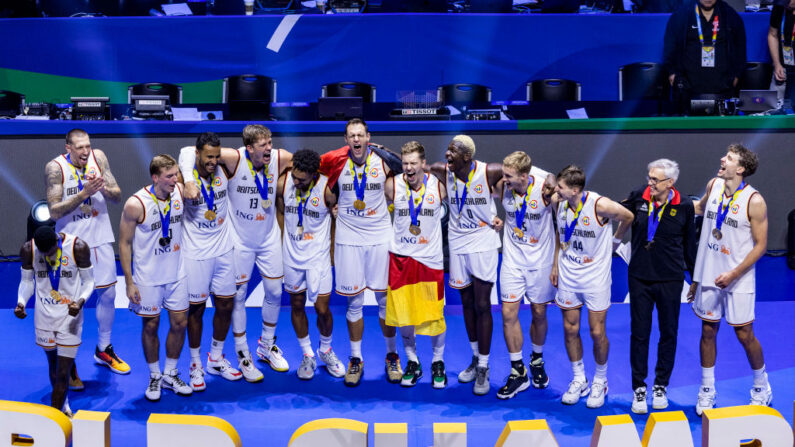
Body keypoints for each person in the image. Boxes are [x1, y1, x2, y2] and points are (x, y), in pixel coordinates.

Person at [180, 125, 292, 382]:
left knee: (275, 292)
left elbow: (307, 166)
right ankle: (242, 353)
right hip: (239, 241)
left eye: (270, 142)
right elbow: (188, 150)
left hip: (269, 238)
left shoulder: (279, 158)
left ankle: (266, 345)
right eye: (263, 144)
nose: (269, 148)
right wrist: (187, 179)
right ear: (249, 148)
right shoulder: (235, 158)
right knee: (237, 296)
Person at [689, 143, 771, 415]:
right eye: (725, 155)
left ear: (741, 168)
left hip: (739, 278)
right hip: (710, 274)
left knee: (744, 334)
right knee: (707, 330)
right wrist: (666, 204)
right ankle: (707, 390)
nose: (722, 159)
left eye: (730, 157)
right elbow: (699, 209)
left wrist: (734, 273)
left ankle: (762, 385)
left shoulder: (754, 201)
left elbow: (761, 246)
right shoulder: (713, 185)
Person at [45, 128, 129, 380]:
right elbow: (54, 212)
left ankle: (103, 349)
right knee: (71, 304)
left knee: (109, 294)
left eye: (87, 146)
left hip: (100, 239)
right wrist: (83, 194)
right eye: (79, 147)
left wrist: (101, 188)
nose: (85, 152)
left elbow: (117, 196)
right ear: (68, 147)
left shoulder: (99, 158)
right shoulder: (55, 168)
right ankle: (68, 361)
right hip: (70, 244)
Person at [321, 118, 400, 387]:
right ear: (346, 140)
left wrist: (383, 150)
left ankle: (392, 355)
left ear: (369, 137)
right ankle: (355, 358)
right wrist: (331, 207)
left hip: (379, 237)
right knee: (353, 302)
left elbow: (404, 170)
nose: (356, 140)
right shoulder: (337, 164)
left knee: (384, 302)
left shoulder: (383, 162)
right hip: (348, 239)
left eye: (360, 135)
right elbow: (328, 196)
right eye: (351, 136)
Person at [551, 165, 634, 408]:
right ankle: (579, 379)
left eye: (561, 187)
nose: (556, 191)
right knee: (570, 329)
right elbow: (560, 232)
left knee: (597, 332)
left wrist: (615, 242)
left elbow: (628, 217)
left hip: (595, 277)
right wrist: (555, 264)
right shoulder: (559, 202)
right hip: (568, 274)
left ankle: (600, 380)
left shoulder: (600, 205)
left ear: (575, 190)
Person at [621, 159, 697, 414]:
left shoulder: (684, 205)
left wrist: (695, 278)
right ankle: (639, 389)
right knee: (639, 333)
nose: (650, 183)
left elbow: (690, 246)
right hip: (640, 277)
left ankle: (660, 385)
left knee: (669, 333)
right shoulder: (637, 197)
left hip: (671, 278)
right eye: (649, 177)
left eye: (655, 180)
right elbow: (617, 212)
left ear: (670, 183)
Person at [430, 135, 504, 396]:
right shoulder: (443, 171)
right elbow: (414, 166)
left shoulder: (489, 171)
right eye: (448, 149)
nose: (448, 154)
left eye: (453, 150)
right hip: (458, 244)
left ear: (467, 157)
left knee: (483, 304)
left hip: (483, 242)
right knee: (467, 303)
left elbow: (522, 170)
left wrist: (549, 180)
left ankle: (484, 366)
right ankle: (475, 358)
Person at [119, 154, 193, 401]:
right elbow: (125, 243)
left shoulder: (180, 192)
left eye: (176, 175)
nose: (175, 180)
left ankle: (171, 373)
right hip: (148, 278)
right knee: (150, 326)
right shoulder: (136, 204)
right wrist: (129, 281)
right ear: (155, 177)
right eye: (169, 176)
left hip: (177, 274)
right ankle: (154, 375)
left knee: (180, 323)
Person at [178, 132, 242, 391]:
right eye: (208, 156)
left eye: (217, 156)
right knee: (197, 310)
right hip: (195, 253)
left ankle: (216, 357)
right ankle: (195, 364)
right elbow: (183, 149)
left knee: (226, 304)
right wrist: (190, 180)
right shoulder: (185, 177)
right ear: (197, 155)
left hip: (224, 250)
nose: (213, 161)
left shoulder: (224, 170)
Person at [384, 141, 448, 389]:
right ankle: (412, 361)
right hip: (400, 259)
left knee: (435, 316)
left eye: (413, 163)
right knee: (404, 315)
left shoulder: (439, 185)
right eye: (405, 163)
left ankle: (437, 362)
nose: (408, 168)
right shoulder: (393, 185)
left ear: (423, 164)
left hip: (430, 260)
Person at [278, 149, 346, 380]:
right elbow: (279, 207)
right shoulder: (284, 183)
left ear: (314, 174)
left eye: (302, 180)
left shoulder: (327, 189)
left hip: (318, 259)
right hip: (291, 257)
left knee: (322, 309)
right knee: (296, 305)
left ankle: (325, 349)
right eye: (295, 177)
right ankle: (308, 354)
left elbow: (338, 218)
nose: (296, 182)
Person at [494, 151, 557, 400]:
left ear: (525, 175)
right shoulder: (504, 185)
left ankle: (537, 360)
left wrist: (556, 264)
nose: (504, 180)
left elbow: (562, 222)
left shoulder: (545, 189)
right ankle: (517, 370)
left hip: (540, 262)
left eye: (509, 176)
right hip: (512, 261)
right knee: (508, 314)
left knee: (539, 313)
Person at [15, 226, 92, 417]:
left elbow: (89, 282)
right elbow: (27, 282)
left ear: (57, 242)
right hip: (44, 317)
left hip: (70, 316)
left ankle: (53, 420)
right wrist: (21, 302)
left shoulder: (78, 247)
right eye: (44, 253)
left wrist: (80, 302)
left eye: (51, 251)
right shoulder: (28, 250)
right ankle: (64, 406)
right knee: (53, 366)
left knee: (64, 372)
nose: (48, 256)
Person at [663, 0, 746, 108]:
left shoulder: (730, 15)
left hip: (722, 90)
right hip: (688, 90)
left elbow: (740, 48)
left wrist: (736, 76)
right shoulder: (681, 15)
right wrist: (672, 72)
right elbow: (670, 45)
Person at [768, 0, 795, 107]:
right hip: (783, 68)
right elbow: (772, 34)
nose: (785, 5)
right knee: (772, 108)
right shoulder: (779, 8)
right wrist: (777, 64)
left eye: (787, 2)